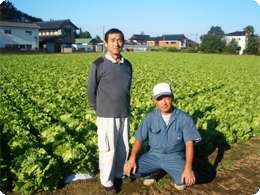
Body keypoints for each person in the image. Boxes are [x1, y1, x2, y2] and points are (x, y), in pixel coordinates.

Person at [123, 83, 202, 190]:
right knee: (128, 170)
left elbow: (189, 144)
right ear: (155, 101)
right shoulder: (150, 118)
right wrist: (132, 159)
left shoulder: (184, 118)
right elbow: (139, 139)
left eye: (167, 97)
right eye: (159, 99)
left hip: (175, 156)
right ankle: (151, 173)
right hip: (153, 155)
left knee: (189, 181)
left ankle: (176, 173)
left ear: (172, 98)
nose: (164, 102)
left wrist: (188, 168)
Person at [87, 28, 132, 194]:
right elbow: (91, 90)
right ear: (105, 43)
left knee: (124, 146)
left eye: (119, 40)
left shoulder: (127, 65)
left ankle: (120, 173)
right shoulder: (98, 64)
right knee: (107, 149)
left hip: (124, 113)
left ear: (123, 42)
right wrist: (97, 109)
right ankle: (107, 181)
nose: (116, 43)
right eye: (112, 40)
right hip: (106, 115)